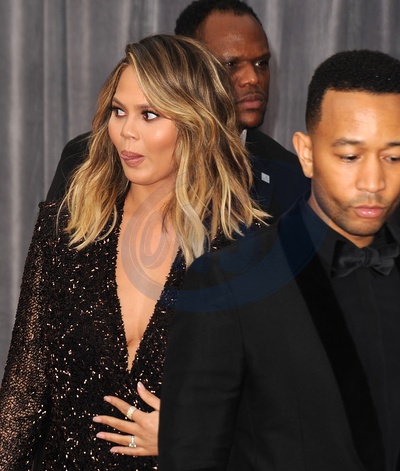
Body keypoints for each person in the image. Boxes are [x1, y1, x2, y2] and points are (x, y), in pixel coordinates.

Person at [158, 50, 400, 470]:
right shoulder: (226, 281)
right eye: (349, 156)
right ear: (307, 154)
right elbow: (192, 458)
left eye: (394, 157)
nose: (373, 182)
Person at [0, 34, 266, 470]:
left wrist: (190, 433)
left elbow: (272, 412)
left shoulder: (243, 250)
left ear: (197, 123)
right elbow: (24, 392)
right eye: (119, 111)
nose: (126, 131)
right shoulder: (66, 228)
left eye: (150, 114)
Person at [46, 0, 310, 221]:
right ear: (186, 67)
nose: (252, 78)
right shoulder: (84, 160)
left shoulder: (290, 176)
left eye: (261, 63)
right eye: (231, 64)